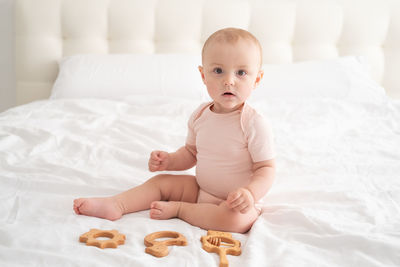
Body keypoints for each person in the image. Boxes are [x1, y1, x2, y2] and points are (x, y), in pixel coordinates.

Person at [73, 27, 276, 233]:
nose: (229, 80)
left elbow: (266, 169)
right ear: (203, 75)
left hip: (237, 203)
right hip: (201, 190)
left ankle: (181, 210)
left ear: (257, 80)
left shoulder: (253, 123)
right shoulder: (200, 115)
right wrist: (169, 160)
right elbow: (191, 153)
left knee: (235, 222)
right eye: (218, 71)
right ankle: (117, 204)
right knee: (161, 183)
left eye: (241, 73)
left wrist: (250, 194)